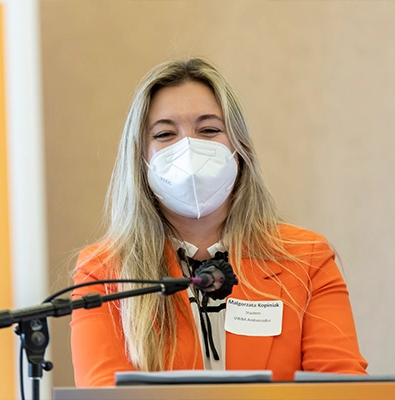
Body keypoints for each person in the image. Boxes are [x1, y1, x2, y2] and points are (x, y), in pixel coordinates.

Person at [69, 58, 368, 387]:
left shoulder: (307, 257)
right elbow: (104, 393)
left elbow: (342, 387)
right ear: (141, 158)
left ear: (238, 147)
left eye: (209, 130)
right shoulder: (102, 272)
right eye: (166, 134)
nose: (188, 148)